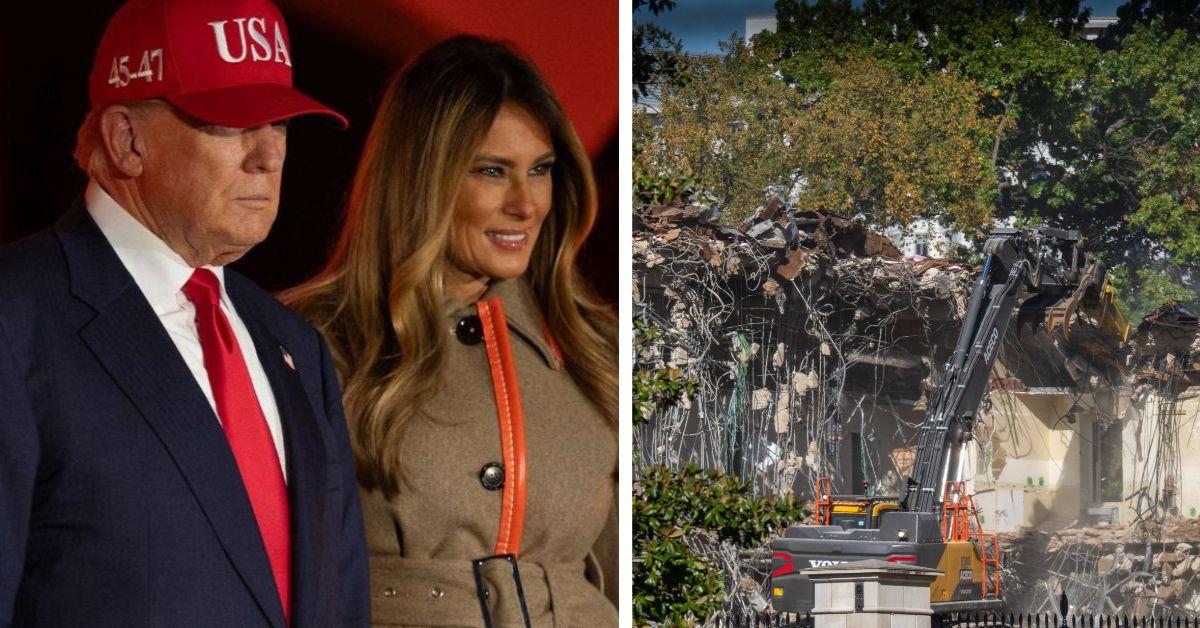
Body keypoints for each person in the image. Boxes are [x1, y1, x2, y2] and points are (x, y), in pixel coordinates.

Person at [0, 0, 369, 625]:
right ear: (127, 140)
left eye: (279, 124)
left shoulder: (295, 346)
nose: (268, 156)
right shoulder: (16, 316)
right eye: (230, 124)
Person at [284, 36, 618, 626]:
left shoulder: (599, 351)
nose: (526, 204)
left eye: (540, 170)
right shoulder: (307, 340)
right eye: (493, 171)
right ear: (422, 179)